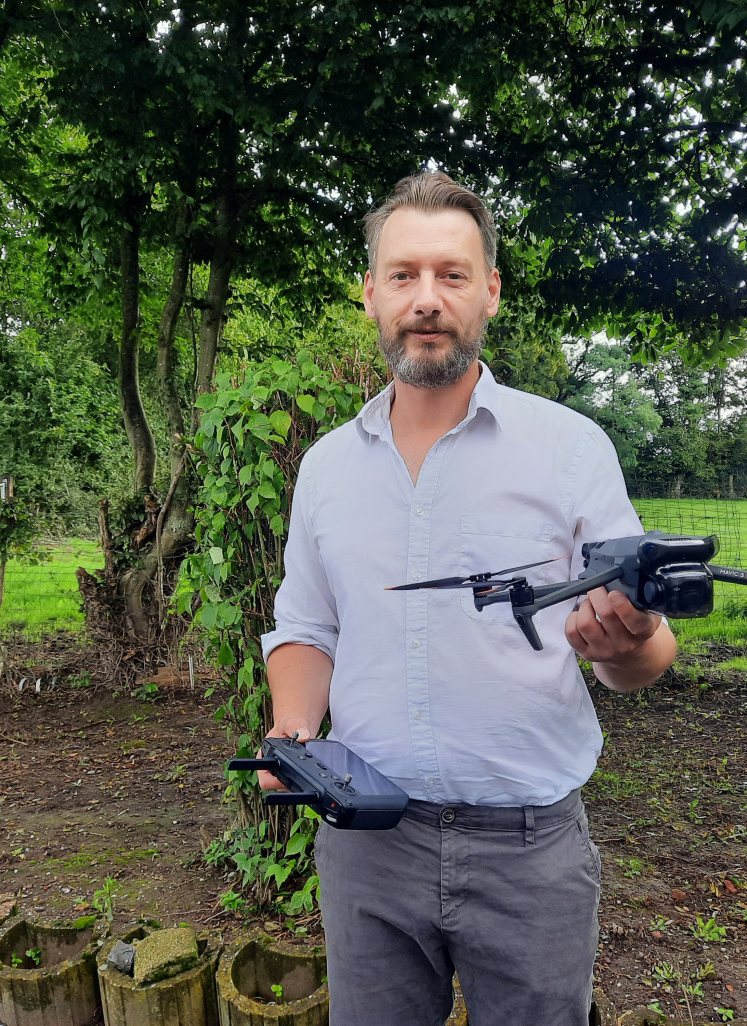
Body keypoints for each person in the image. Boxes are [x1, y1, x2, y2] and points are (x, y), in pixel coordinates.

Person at [258, 172, 677, 1026]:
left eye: (452, 275)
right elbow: (306, 625)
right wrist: (293, 731)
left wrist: (624, 642)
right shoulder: (326, 468)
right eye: (404, 275)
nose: (427, 299)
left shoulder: (570, 448)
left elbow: (650, 653)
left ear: (490, 290)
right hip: (366, 844)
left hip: (530, 855)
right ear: (370, 292)